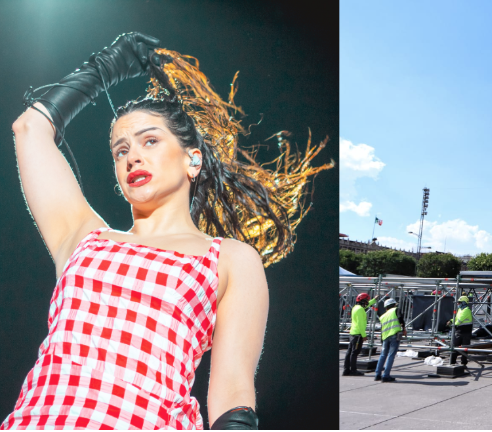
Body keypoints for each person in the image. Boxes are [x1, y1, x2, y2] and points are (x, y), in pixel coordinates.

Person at [2, 33, 329, 430]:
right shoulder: (83, 237)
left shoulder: (230, 258)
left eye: (150, 141)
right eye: (120, 151)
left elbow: (231, 394)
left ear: (193, 160)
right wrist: (106, 66)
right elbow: (29, 128)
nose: (132, 155)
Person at [343, 293, 377, 376]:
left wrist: (374, 300)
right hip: (358, 334)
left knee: (349, 352)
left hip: (353, 333)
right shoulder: (360, 310)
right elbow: (360, 324)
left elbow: (365, 306)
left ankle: (346, 370)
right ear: (363, 301)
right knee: (354, 353)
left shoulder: (356, 308)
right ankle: (353, 370)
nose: (367, 302)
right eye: (367, 300)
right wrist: (364, 335)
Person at [374, 299, 406, 382]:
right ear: (394, 305)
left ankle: (377, 374)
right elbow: (400, 318)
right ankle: (386, 376)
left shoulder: (383, 316)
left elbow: (382, 328)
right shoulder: (396, 310)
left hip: (385, 337)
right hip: (394, 335)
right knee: (391, 355)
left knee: (383, 355)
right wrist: (404, 328)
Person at [447, 296, 473, 366]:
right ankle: (452, 362)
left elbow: (459, 320)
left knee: (464, 348)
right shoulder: (460, 310)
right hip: (459, 331)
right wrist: (451, 321)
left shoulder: (466, 310)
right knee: (455, 346)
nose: (458, 304)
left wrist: (454, 325)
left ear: (464, 303)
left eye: (459, 302)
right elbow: (456, 318)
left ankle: (463, 363)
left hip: (466, 332)